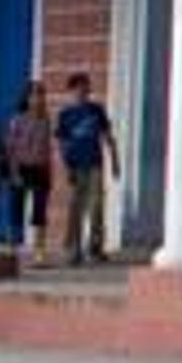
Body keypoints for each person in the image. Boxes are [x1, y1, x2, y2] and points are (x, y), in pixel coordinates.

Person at [53, 71, 118, 265]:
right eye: (79, 88)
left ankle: (95, 247)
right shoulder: (65, 115)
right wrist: (66, 166)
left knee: (96, 205)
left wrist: (115, 160)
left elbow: (107, 135)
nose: (83, 91)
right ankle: (73, 249)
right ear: (71, 90)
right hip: (75, 165)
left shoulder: (96, 110)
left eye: (86, 87)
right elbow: (61, 143)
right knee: (76, 207)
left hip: (95, 163)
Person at [1, 80, 54, 266]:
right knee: (16, 209)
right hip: (21, 167)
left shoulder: (46, 121)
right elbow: (10, 148)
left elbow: (47, 148)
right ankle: (12, 249)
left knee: (40, 211)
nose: (38, 99)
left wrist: (49, 171)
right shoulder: (17, 120)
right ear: (27, 98)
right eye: (34, 95)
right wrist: (14, 172)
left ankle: (39, 252)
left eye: (41, 95)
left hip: (40, 169)